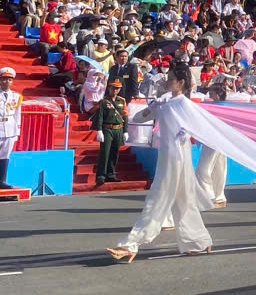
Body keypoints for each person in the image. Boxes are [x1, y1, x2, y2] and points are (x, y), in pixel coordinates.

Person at [106, 63, 214, 262]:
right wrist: (151, 109)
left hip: (178, 156)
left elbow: (199, 127)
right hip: (167, 155)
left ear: (181, 83)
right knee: (184, 201)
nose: (166, 81)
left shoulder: (185, 104)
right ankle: (198, 241)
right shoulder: (164, 102)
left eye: (171, 79)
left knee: (157, 199)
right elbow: (138, 117)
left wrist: (186, 132)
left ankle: (131, 244)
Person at [91, 77, 129, 185]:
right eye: (113, 88)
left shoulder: (122, 101)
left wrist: (125, 130)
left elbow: (125, 116)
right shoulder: (104, 101)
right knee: (105, 153)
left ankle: (111, 174)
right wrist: (99, 130)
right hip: (107, 129)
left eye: (117, 88)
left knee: (114, 153)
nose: (115, 90)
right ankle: (101, 176)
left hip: (118, 130)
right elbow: (100, 117)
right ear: (109, 88)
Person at [0, 67, 22, 189]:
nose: (6, 82)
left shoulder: (17, 97)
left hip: (9, 128)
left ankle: (2, 181)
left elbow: (17, 115)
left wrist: (16, 133)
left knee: (5, 156)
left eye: (9, 79)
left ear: (12, 81)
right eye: (4, 79)